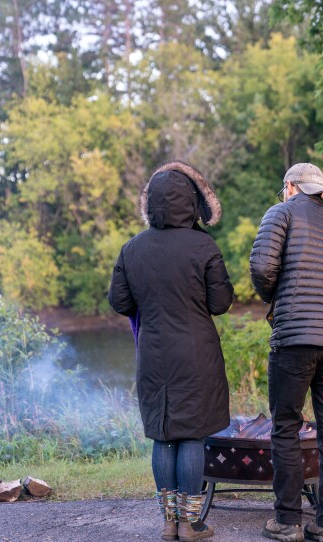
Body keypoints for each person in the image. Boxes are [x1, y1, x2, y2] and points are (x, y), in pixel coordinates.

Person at [108, 161, 234, 542]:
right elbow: (221, 302)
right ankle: (190, 523)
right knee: (193, 436)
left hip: (153, 354)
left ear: (152, 206)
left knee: (164, 435)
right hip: (196, 355)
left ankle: (168, 523)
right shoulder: (203, 245)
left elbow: (119, 301)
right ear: (191, 204)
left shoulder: (132, 248)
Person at [249, 163, 323, 542]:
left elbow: (262, 267)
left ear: (290, 187)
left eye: (285, 189)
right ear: (320, 192)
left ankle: (288, 521)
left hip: (295, 335)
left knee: (286, 424)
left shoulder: (280, 213)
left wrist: (273, 300)